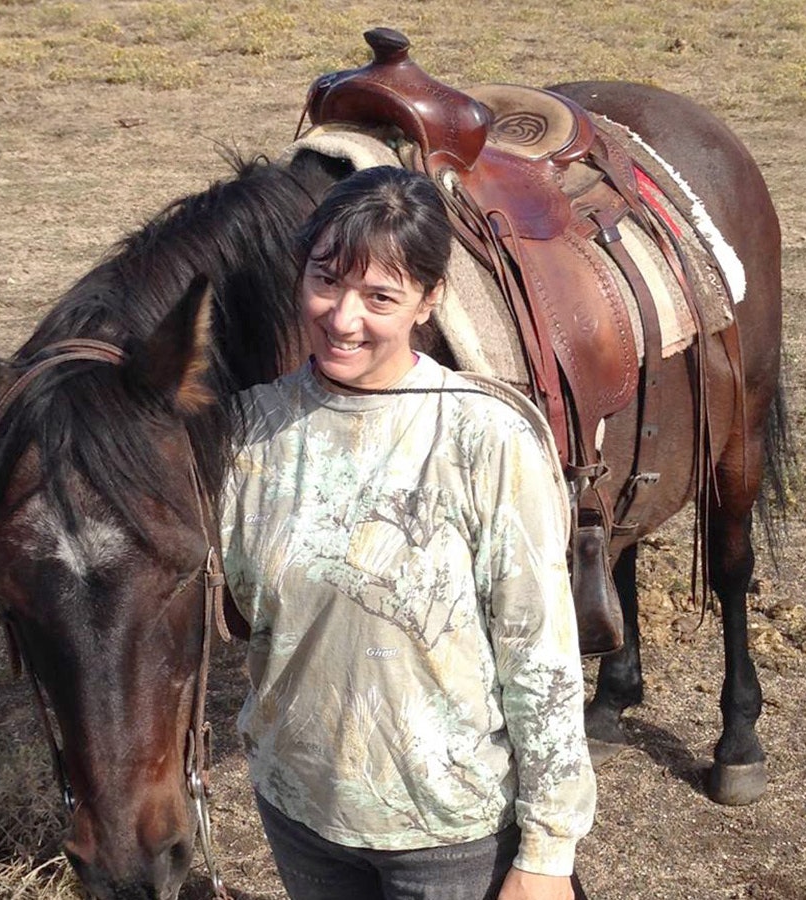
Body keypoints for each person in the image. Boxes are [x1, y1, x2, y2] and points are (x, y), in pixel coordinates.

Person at [217, 165, 596, 900]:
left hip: (451, 832)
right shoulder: (248, 430)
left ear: (431, 300)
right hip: (300, 813)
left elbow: (539, 646)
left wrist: (548, 848)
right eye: (326, 280)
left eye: (380, 296)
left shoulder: (484, 434)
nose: (343, 317)